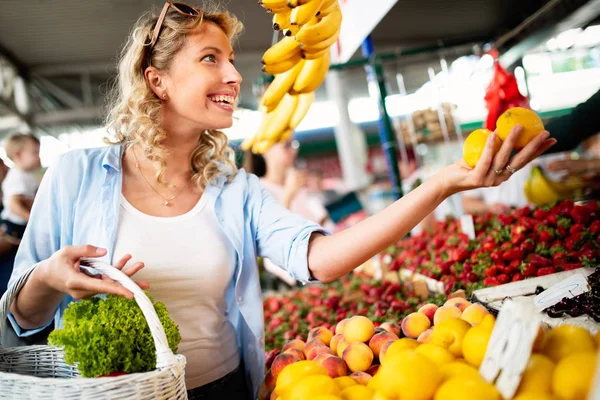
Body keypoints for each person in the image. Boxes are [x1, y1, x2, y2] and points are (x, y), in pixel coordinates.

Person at [5, 2, 555, 398]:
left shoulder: (235, 188)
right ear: (157, 81)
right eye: (210, 59)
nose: (234, 74)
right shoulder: (75, 176)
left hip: (223, 388)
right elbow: (21, 319)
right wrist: (49, 279)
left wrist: (438, 185)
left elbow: (320, 260)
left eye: (231, 59)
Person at [0, 133, 41, 246]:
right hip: (14, 225)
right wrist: (31, 220)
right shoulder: (17, 176)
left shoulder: (28, 175)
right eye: (35, 153)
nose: (39, 157)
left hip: (20, 223)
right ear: (18, 155)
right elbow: (14, 205)